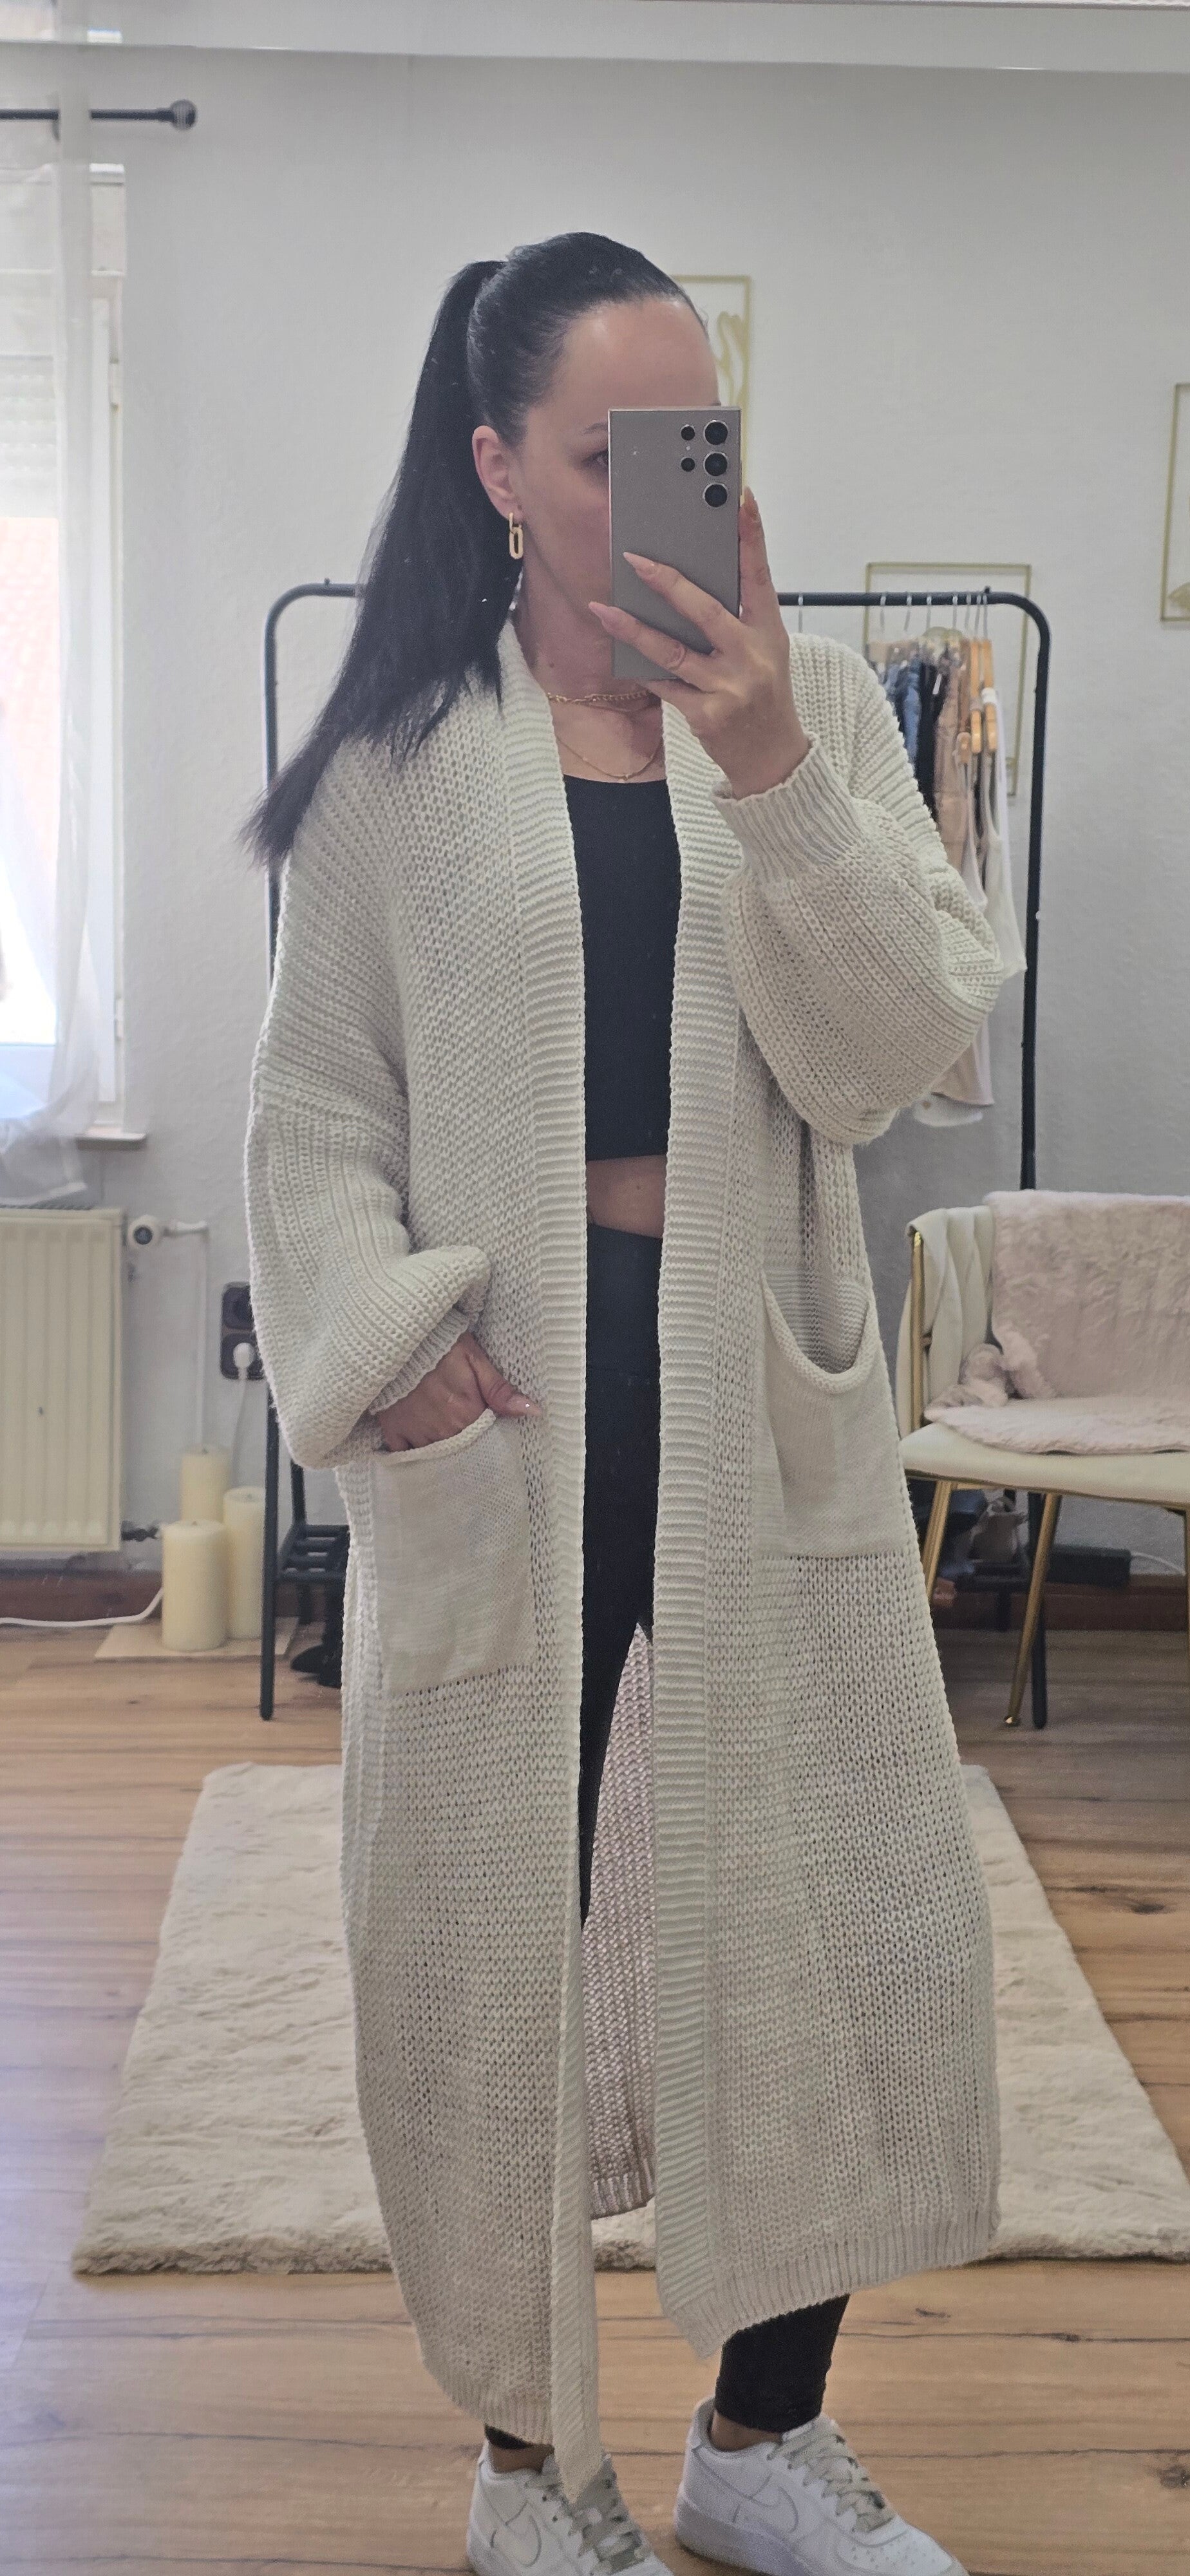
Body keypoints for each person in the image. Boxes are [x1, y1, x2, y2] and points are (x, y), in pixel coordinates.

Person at [243, 234, 1005, 2576]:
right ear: (499, 471)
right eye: (611, 454)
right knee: (495, 1942)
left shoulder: (818, 717)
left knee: (833, 1913)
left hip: (757, 1397)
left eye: (701, 444)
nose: (671, 489)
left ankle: (762, 2443)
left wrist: (768, 767)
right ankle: (526, 2473)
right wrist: (387, 1352)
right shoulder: (400, 765)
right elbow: (313, 1116)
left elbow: (901, 1055)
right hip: (507, 1414)